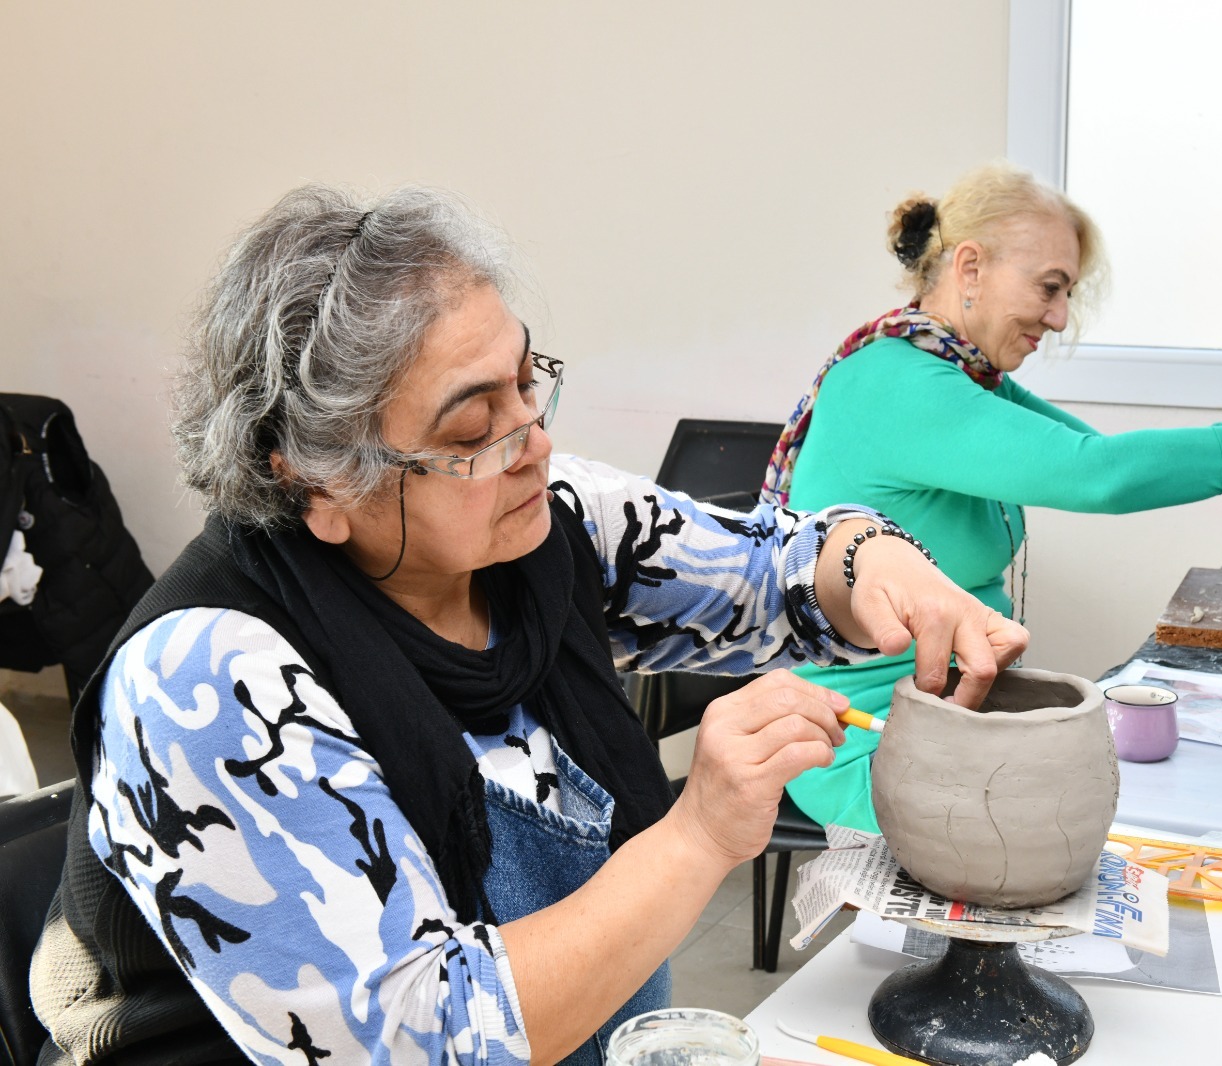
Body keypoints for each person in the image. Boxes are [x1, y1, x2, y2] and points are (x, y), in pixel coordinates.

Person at [28, 185, 1027, 1066]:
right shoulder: (208, 683)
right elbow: (425, 1041)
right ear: (319, 479)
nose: (533, 440)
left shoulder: (537, 517)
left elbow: (776, 572)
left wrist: (870, 558)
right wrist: (697, 836)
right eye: (472, 427)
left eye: (526, 381)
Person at [763, 160, 1222, 833]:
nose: (1061, 317)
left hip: (949, 718)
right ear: (971, 268)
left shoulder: (961, 373)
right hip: (866, 738)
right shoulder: (895, 381)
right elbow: (1097, 475)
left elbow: (1100, 452)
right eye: (1049, 288)